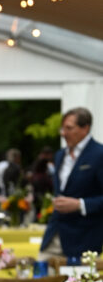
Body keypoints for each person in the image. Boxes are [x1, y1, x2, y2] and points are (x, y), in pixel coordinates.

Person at [39, 107, 103, 260]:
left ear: (85, 128)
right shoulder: (60, 155)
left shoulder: (99, 154)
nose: (63, 133)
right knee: (40, 280)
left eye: (69, 128)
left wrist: (80, 204)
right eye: (63, 128)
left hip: (85, 239)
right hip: (54, 235)